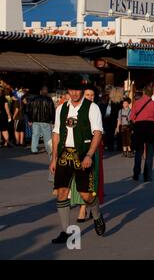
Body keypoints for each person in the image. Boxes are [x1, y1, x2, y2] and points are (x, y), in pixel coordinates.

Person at [49, 76, 105, 244]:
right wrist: (54, 158)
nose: (74, 93)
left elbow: (97, 132)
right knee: (61, 192)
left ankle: (96, 215)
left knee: (86, 196)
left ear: (82, 90)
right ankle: (65, 231)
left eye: (77, 90)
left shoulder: (92, 108)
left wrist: (89, 155)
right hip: (65, 154)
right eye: (71, 90)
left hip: (83, 154)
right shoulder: (61, 109)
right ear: (67, 91)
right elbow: (56, 132)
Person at [69, 85, 105, 223]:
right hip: (78, 148)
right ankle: (85, 206)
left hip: (93, 149)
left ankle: (85, 208)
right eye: (88, 95)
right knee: (78, 180)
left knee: (91, 180)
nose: (90, 97)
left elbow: (99, 131)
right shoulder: (78, 109)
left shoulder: (95, 108)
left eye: (92, 95)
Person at [130, 83, 154, 182]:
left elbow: (132, 117)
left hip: (139, 127)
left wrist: (136, 124)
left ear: (143, 92)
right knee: (149, 153)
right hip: (150, 128)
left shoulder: (137, 103)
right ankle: (147, 176)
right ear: (151, 93)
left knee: (138, 152)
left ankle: (136, 173)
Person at [28, 86, 55, 156]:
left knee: (35, 135)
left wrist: (30, 119)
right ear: (47, 92)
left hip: (35, 120)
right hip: (46, 120)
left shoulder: (34, 99)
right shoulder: (49, 100)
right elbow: (52, 111)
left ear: (40, 91)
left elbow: (30, 110)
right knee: (47, 136)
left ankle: (34, 149)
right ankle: (48, 149)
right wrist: (53, 120)